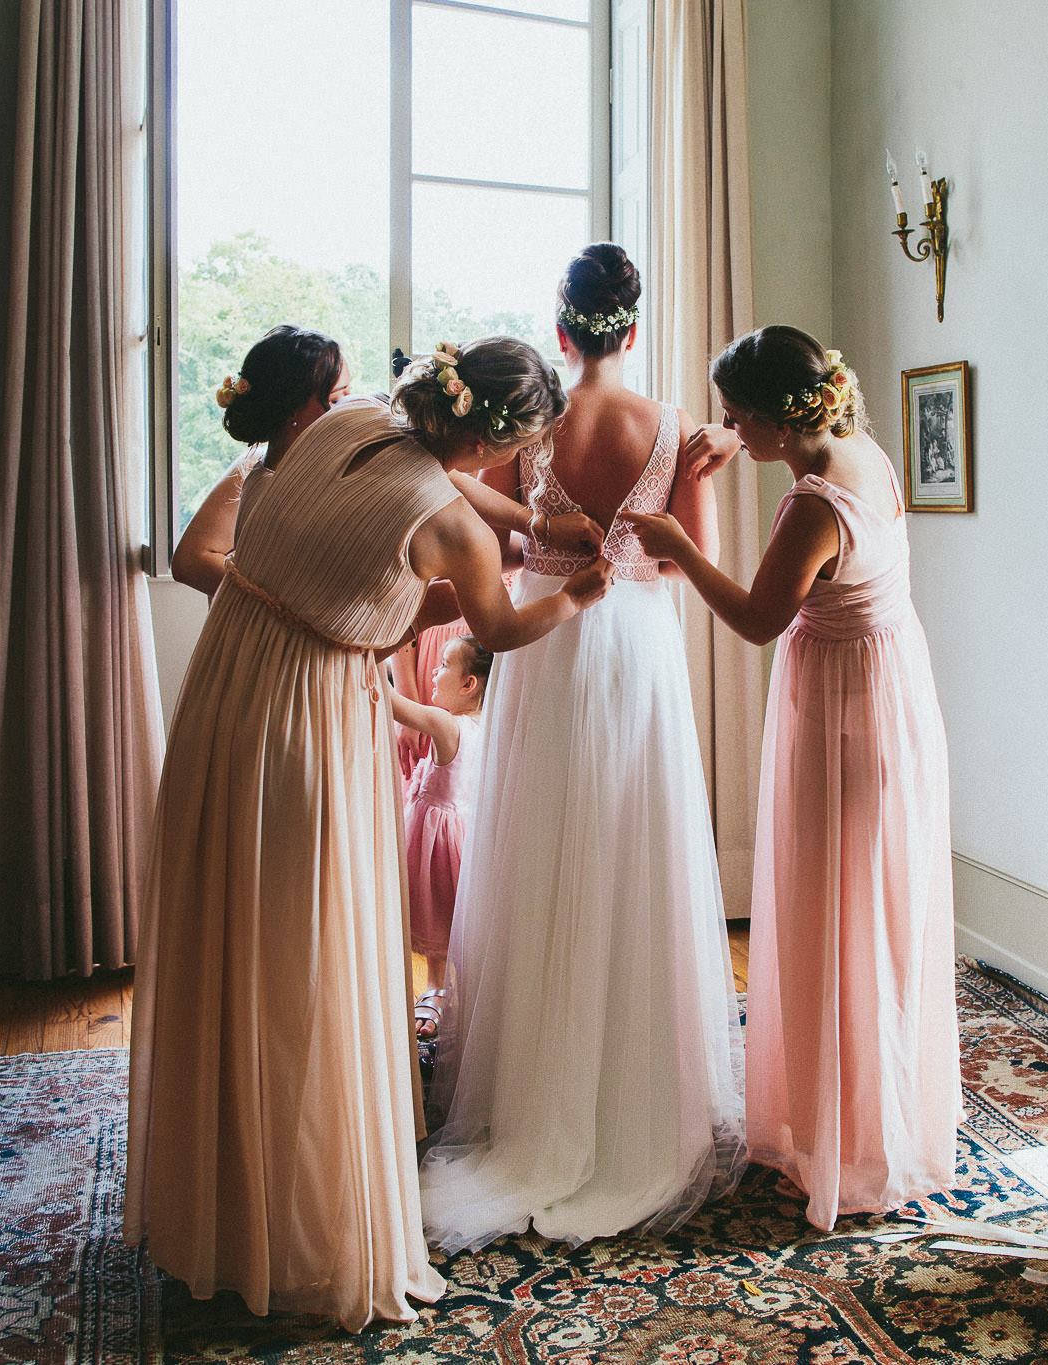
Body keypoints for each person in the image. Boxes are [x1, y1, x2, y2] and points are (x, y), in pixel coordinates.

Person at [126, 332, 610, 1329]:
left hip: (225, 691)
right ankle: (297, 1229)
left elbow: (347, 586)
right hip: (306, 718)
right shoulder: (452, 523)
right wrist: (574, 593)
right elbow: (500, 628)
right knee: (305, 960)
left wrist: (491, 544)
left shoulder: (349, 426)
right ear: (508, 437)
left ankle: (215, 1208)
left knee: (230, 945)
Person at [419, 243, 745, 1251]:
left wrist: (544, 528)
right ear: (632, 329)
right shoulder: (670, 427)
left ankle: (529, 1090)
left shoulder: (537, 424)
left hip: (551, 637)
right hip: (636, 645)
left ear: (561, 330)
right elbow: (692, 563)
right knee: (629, 840)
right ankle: (637, 1095)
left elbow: (501, 526)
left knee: (540, 844)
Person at [621, 326, 960, 1231]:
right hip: (889, 694)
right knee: (874, 915)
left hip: (845, 716)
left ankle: (844, 1135)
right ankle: (869, 1121)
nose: (725, 424)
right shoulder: (865, 453)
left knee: (834, 914)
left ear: (776, 417)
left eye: (736, 412)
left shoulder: (810, 507)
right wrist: (733, 445)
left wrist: (678, 547)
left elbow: (757, 620)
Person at [171, 326, 352, 598]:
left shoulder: (345, 464)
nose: (352, 406)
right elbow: (189, 561)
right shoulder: (256, 467)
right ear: (293, 409)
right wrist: (281, 611)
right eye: (336, 399)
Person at [389, 633, 492, 1039]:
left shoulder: (445, 724)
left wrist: (359, 657)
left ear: (469, 684)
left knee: (435, 913)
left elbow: (394, 704)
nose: (433, 671)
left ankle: (436, 991)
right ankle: (450, 993)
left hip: (435, 842)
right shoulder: (486, 723)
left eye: (444, 665)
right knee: (451, 922)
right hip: (464, 835)